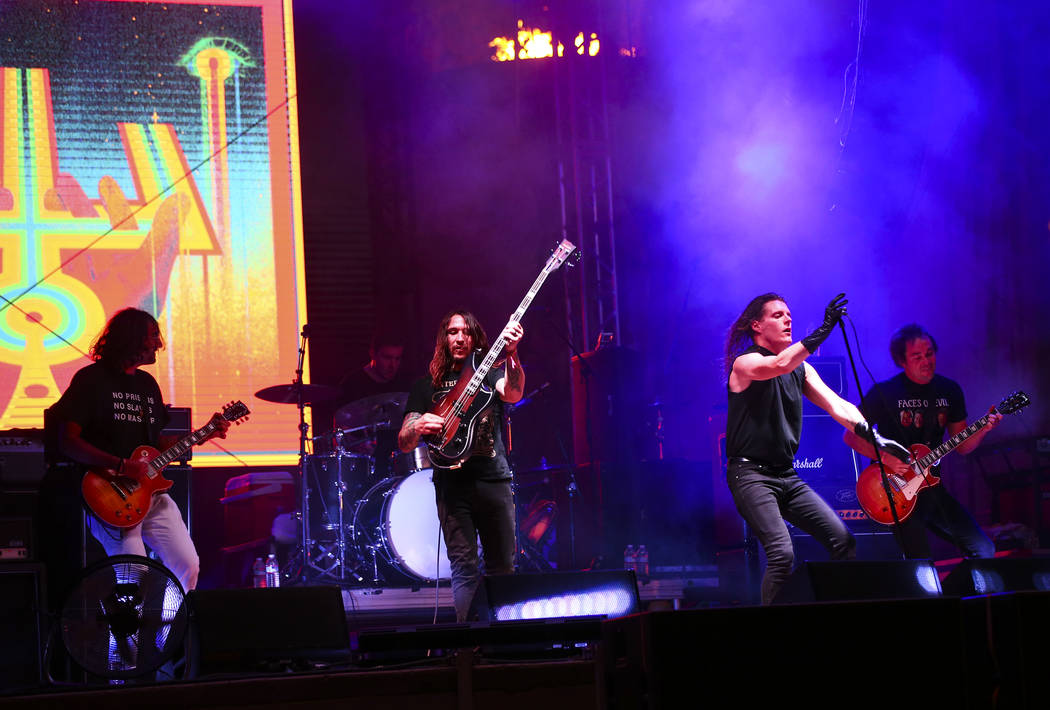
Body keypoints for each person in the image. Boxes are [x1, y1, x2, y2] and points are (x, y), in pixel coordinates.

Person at [724, 292, 910, 605]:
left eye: (789, 315)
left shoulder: (802, 370)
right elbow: (781, 363)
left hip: (787, 477)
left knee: (843, 541)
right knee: (782, 553)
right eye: (778, 315)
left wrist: (874, 437)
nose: (787, 320)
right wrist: (823, 330)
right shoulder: (746, 363)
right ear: (756, 325)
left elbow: (838, 405)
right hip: (750, 475)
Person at [40, 308, 229, 599]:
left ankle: (167, 638)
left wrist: (205, 434)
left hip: (150, 494)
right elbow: (68, 442)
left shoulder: (147, 385)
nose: (159, 343)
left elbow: (155, 447)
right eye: (153, 335)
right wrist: (119, 464)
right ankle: (123, 643)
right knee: (133, 574)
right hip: (108, 494)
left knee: (187, 565)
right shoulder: (91, 380)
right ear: (132, 338)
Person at [398, 310, 524, 621]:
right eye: (454, 331)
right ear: (444, 338)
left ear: (475, 338)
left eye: (466, 332)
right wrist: (418, 426)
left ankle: (503, 643)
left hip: (493, 479)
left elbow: (513, 392)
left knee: (502, 566)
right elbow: (404, 440)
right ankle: (470, 645)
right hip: (452, 486)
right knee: (464, 567)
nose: (460, 337)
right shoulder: (425, 386)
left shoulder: (490, 372)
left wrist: (513, 355)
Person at [843, 324, 1000, 560]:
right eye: (917, 356)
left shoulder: (949, 390)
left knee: (984, 550)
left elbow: (963, 446)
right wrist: (885, 456)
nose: (926, 361)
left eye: (930, 353)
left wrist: (985, 428)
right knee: (922, 566)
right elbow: (850, 436)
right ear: (902, 361)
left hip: (932, 489)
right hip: (894, 492)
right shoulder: (885, 392)